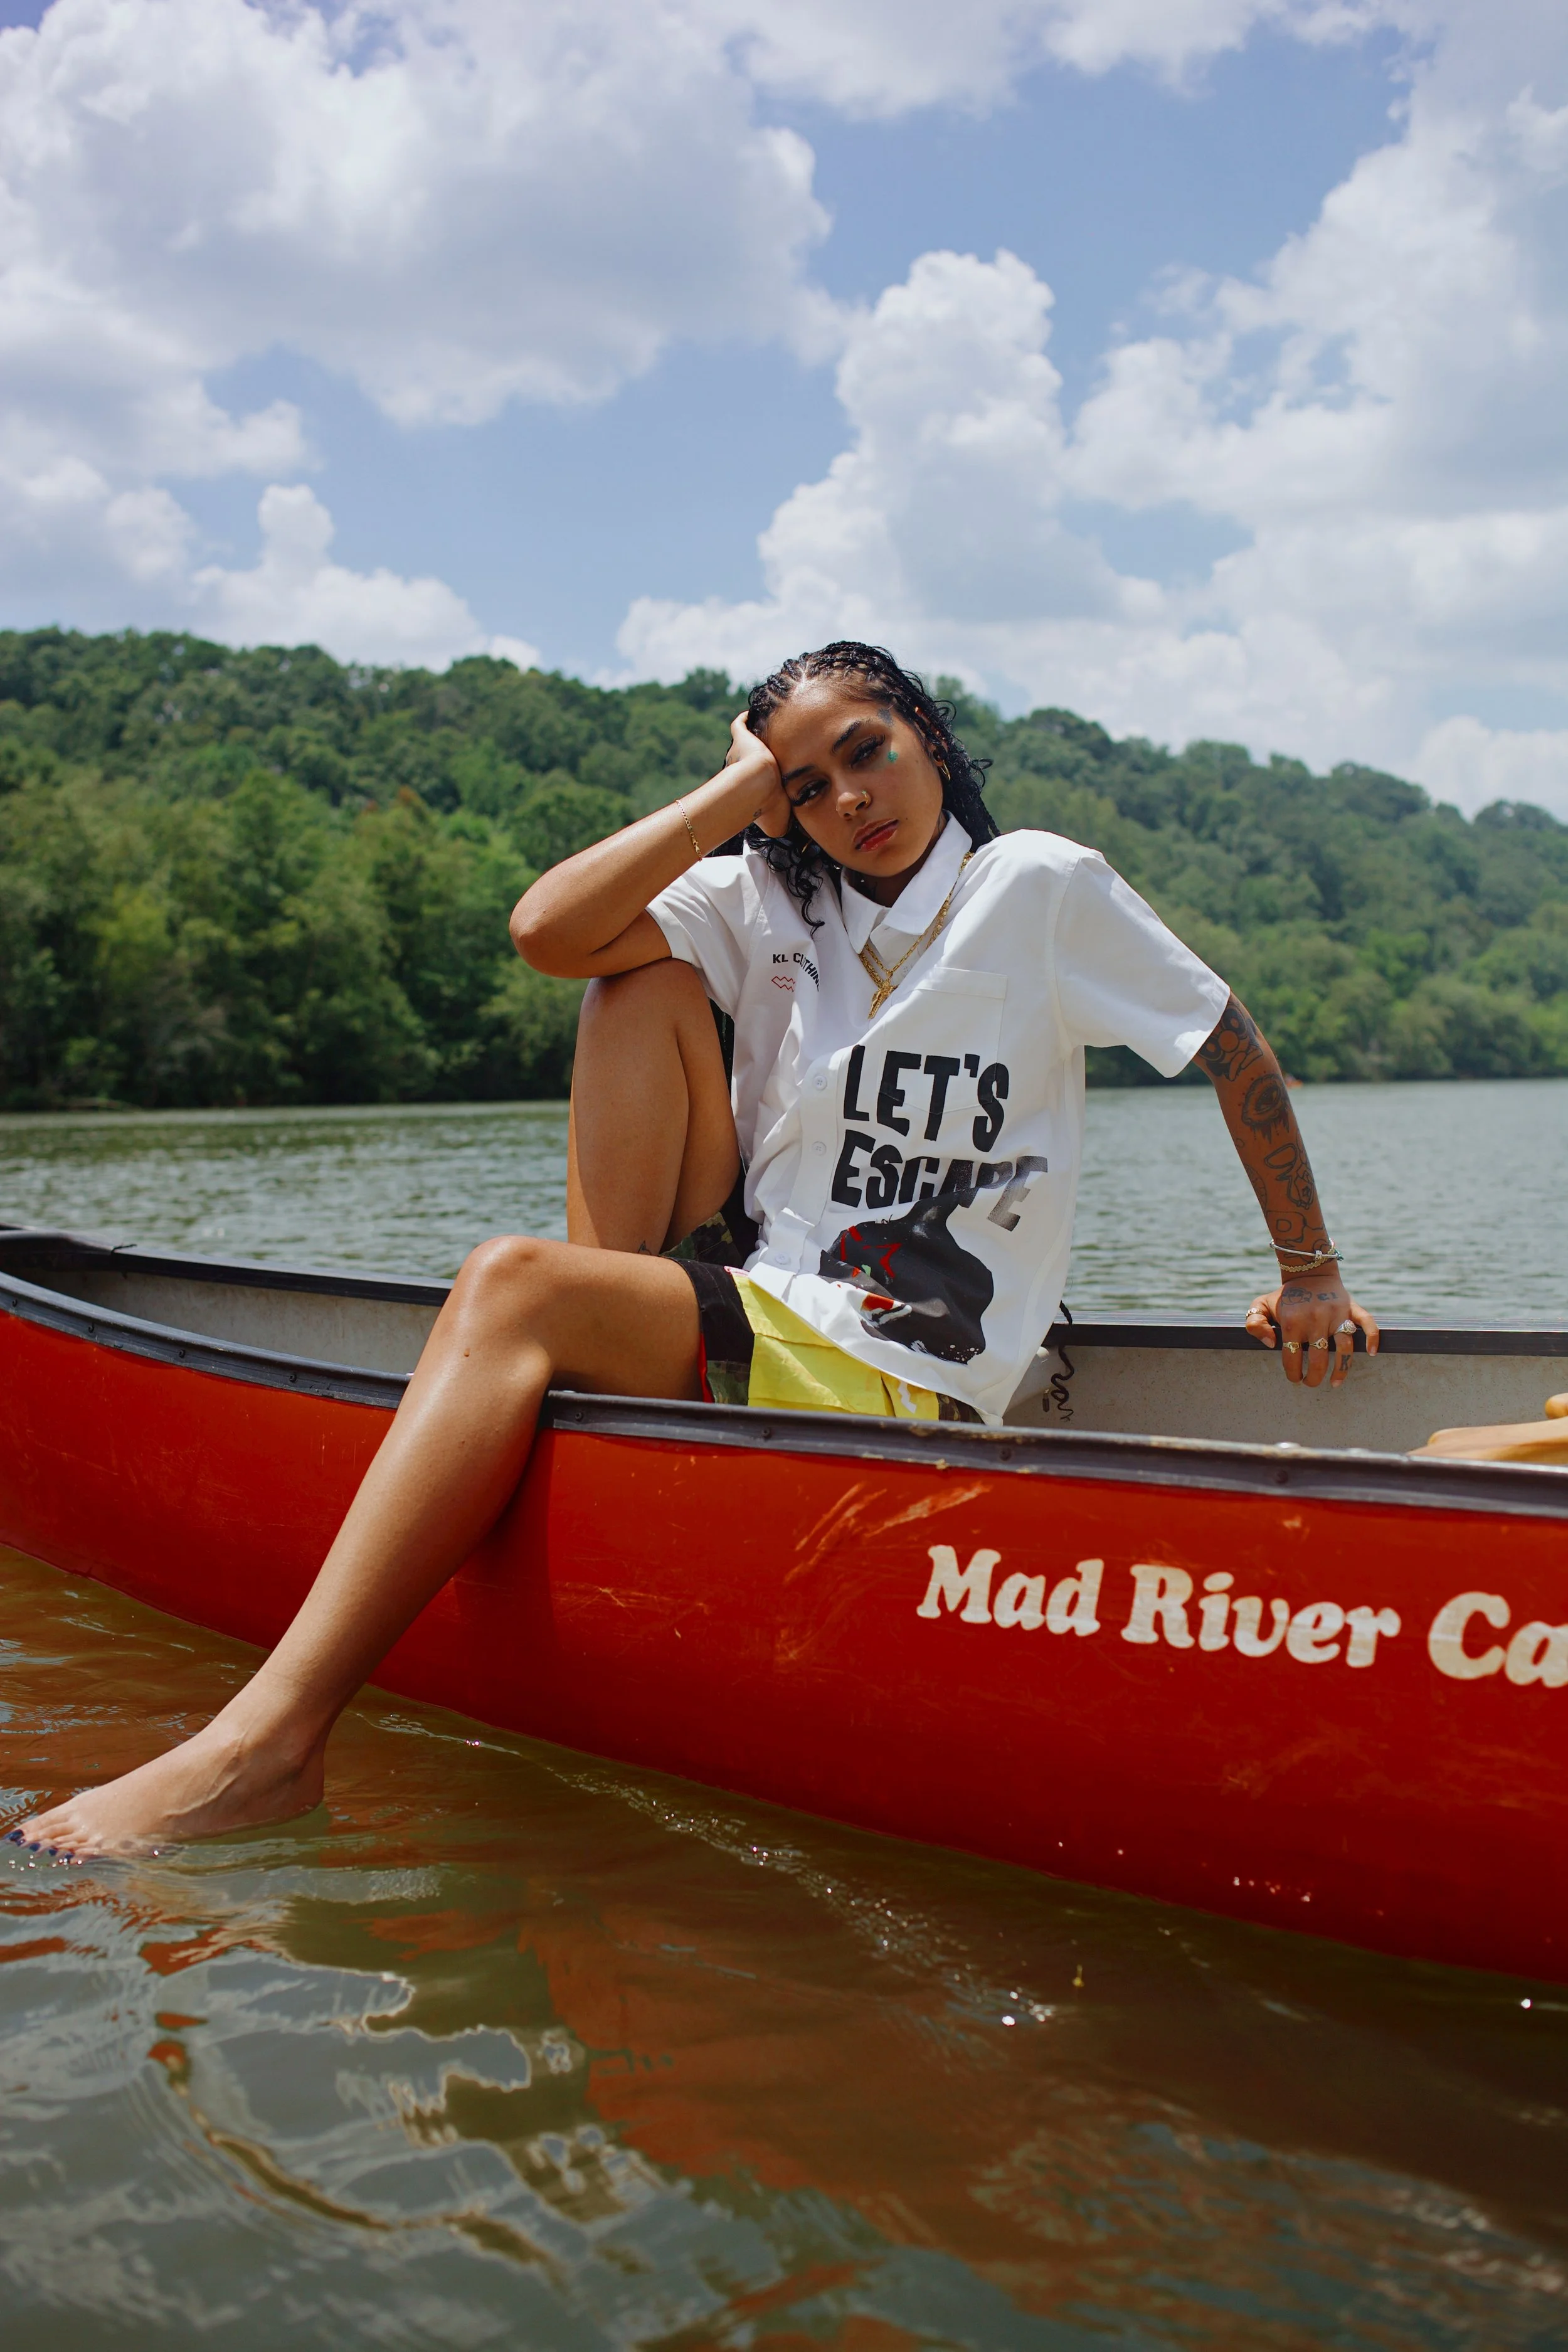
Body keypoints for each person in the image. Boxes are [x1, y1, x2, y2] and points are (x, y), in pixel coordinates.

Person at [10, 642, 1377, 1860]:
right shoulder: (776, 900)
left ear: (927, 741)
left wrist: (1308, 1270)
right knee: (632, 980)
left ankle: (269, 1742)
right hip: (760, 1292)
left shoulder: (1035, 884)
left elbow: (1228, 1043)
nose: (850, 796)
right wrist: (737, 795)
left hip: (896, 1352)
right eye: (807, 785)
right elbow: (547, 932)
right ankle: (601, 1407)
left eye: (867, 750)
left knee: (506, 1283)